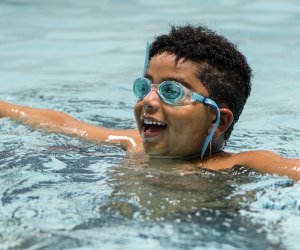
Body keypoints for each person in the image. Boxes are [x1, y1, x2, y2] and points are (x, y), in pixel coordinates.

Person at [0, 25, 299, 181]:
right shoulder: (133, 144)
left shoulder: (235, 165)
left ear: (218, 120)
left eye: (172, 91)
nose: (148, 101)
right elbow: (63, 123)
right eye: (145, 87)